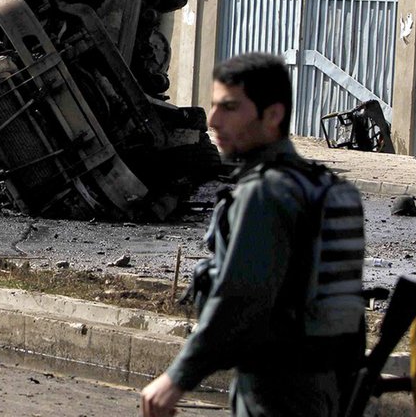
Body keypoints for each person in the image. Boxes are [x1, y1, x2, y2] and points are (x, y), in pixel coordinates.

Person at [140, 52, 365, 417]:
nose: (213, 120)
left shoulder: (264, 193)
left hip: (273, 392)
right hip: (328, 390)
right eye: (214, 106)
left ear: (273, 115)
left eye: (230, 108)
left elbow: (241, 298)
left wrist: (177, 379)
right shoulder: (332, 188)